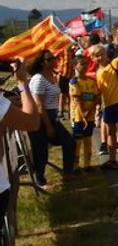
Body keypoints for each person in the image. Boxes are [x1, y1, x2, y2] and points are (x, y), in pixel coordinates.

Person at [28, 53, 74, 186]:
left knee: (69, 142)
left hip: (52, 115)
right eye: (49, 59)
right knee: (40, 151)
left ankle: (68, 175)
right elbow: (39, 105)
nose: (54, 61)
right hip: (41, 118)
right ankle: (40, 181)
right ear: (42, 63)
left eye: (54, 58)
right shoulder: (38, 79)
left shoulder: (52, 76)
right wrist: (48, 126)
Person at [89, 43, 118, 169]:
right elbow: (99, 91)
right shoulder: (98, 73)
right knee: (110, 133)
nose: (99, 58)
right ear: (92, 59)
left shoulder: (113, 64)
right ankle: (112, 159)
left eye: (101, 54)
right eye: (96, 56)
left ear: (105, 54)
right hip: (108, 105)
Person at [69, 63, 99, 170]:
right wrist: (83, 113)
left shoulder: (92, 81)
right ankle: (75, 165)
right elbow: (77, 98)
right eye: (81, 65)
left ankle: (87, 164)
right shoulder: (74, 81)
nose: (84, 67)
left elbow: (96, 97)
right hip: (77, 116)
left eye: (85, 64)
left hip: (89, 116)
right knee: (77, 141)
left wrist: (89, 111)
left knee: (88, 139)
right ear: (76, 67)